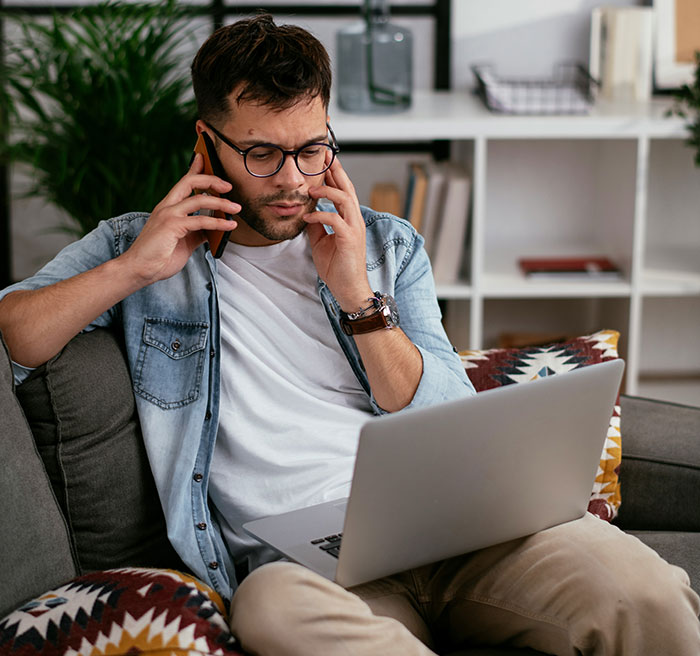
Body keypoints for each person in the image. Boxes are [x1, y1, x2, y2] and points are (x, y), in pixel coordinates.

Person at [0, 14, 698, 656]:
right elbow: (18, 331)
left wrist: (358, 297)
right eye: (262, 155)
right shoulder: (138, 247)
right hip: (311, 566)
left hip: (458, 528)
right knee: (271, 611)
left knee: (650, 597)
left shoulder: (387, 246)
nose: (293, 180)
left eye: (312, 150)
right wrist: (135, 268)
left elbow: (445, 412)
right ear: (207, 144)